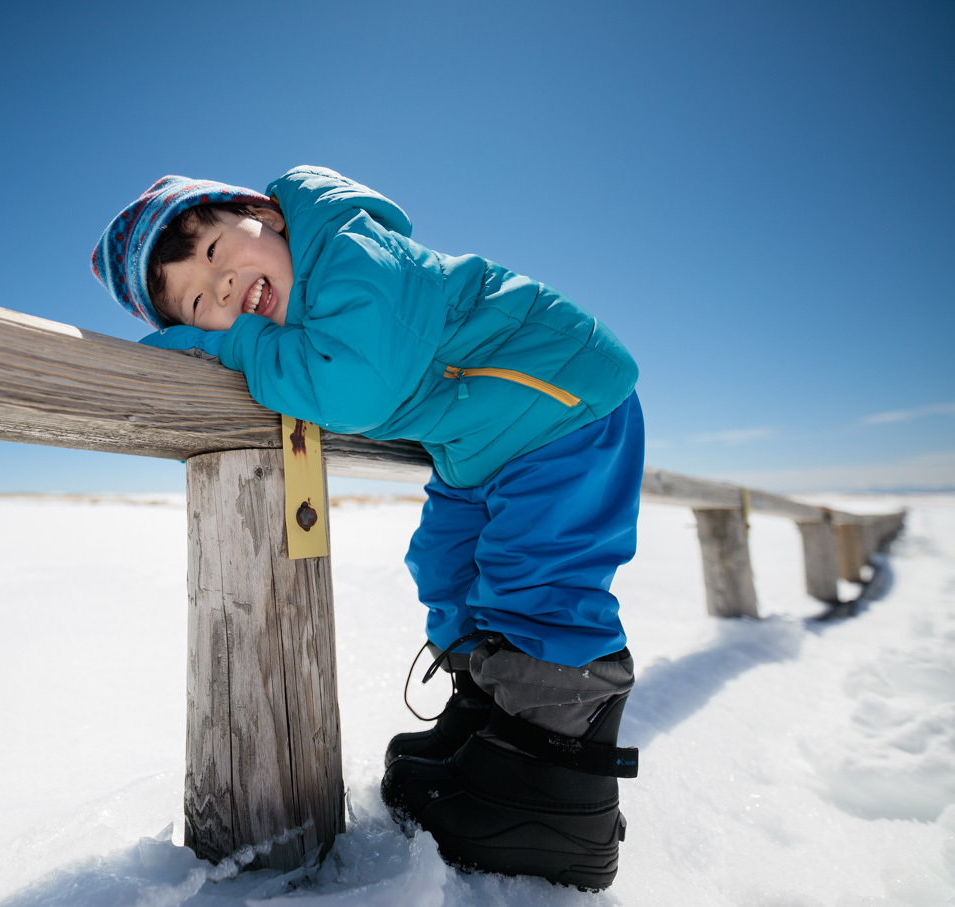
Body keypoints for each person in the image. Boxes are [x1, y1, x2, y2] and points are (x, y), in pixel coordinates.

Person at [91, 166, 643, 891]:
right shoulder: (309, 301)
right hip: (486, 440)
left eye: (219, 251)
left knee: (537, 582)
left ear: (267, 214)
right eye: (199, 304)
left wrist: (223, 347)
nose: (222, 286)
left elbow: (354, 385)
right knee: (446, 565)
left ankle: (556, 792)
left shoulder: (349, 250)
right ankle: (489, 718)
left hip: (565, 406)